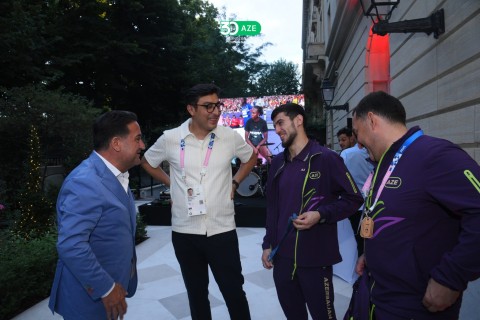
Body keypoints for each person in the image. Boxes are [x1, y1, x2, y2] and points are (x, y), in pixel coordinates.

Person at [352, 91, 480, 319]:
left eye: (356, 132)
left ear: (371, 120)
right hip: (375, 298)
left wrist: (451, 277)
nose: (358, 144)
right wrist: (371, 251)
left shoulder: (435, 155)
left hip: (413, 308)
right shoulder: (384, 162)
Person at [141, 83, 256, 320]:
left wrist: (235, 183)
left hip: (222, 229)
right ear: (191, 109)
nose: (215, 111)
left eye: (218, 105)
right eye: (208, 106)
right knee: (197, 295)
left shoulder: (229, 136)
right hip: (185, 232)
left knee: (234, 293)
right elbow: (147, 162)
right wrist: (171, 184)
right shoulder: (171, 138)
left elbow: (251, 157)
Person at [261, 103, 364, 320]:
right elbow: (272, 208)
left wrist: (321, 215)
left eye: (281, 123)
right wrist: (267, 244)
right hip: (282, 259)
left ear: (298, 120)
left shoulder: (326, 158)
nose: (277, 129)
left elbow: (354, 199)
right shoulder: (278, 162)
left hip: (316, 258)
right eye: (275, 125)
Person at [49, 111, 144, 319]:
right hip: (89, 299)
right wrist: (107, 288)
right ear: (117, 143)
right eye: (137, 139)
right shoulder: (85, 182)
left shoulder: (115, 175)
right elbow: (71, 245)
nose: (142, 145)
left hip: (109, 297)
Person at [340, 142, 374, 256]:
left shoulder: (347, 154)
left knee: (356, 239)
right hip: (370, 204)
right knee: (366, 239)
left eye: (343, 139)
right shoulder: (374, 153)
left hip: (354, 205)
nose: (340, 143)